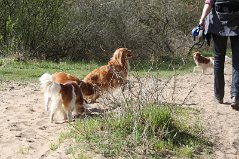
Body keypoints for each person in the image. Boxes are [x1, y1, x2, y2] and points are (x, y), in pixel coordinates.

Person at [199, 0, 239, 109]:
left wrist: (202, 20)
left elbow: (209, 2)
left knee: (218, 58)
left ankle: (218, 96)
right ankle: (235, 95)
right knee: (237, 60)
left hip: (218, 22)